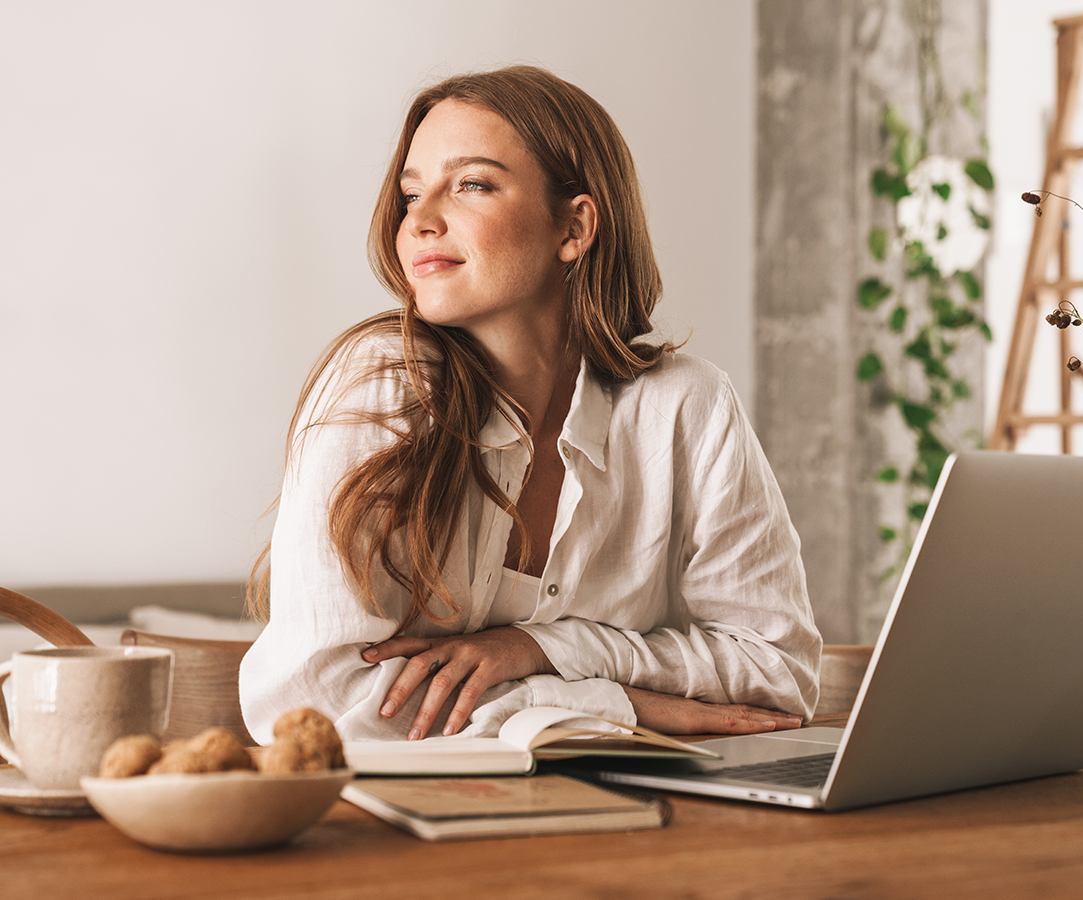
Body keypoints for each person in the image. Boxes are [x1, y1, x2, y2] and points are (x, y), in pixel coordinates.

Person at [238, 65, 821, 746]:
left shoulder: (687, 405)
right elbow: (314, 703)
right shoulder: (382, 386)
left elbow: (779, 676)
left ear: (573, 227)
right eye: (411, 194)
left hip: (638, 804)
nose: (419, 221)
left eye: (471, 184)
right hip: (408, 810)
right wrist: (614, 706)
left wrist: (547, 648)